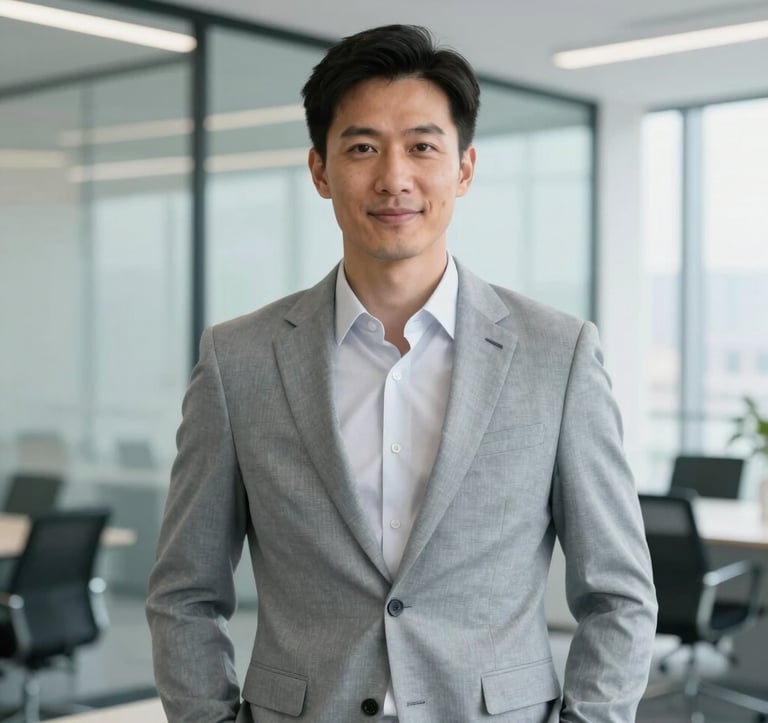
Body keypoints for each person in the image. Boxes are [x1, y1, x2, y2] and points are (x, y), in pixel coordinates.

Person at [146, 24, 657, 723]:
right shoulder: (239, 360)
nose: (394, 177)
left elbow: (619, 594)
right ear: (320, 170)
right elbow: (184, 593)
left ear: (465, 168)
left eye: (422, 146)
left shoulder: (557, 354)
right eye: (362, 147)